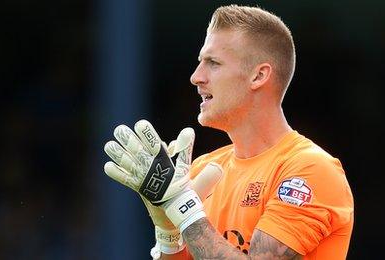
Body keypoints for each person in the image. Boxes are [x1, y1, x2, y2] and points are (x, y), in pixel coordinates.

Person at [103, 5, 353, 260]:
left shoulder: (311, 170)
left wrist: (185, 210)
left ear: (258, 75)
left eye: (213, 63)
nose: (195, 77)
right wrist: (168, 237)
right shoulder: (200, 170)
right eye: (200, 62)